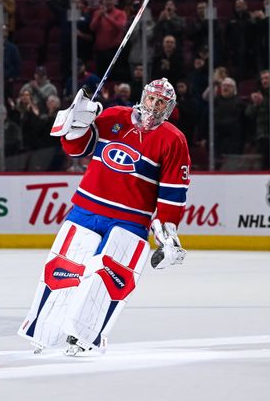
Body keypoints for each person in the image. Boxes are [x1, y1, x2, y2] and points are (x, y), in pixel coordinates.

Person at [19, 78, 190, 355]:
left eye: (161, 102)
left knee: (108, 278)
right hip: (87, 208)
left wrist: (167, 232)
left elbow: (173, 192)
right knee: (66, 268)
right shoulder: (113, 116)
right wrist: (76, 123)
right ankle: (45, 329)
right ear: (143, 96)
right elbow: (77, 149)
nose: (154, 106)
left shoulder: (174, 140)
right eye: (151, 99)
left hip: (131, 221)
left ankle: (84, 336)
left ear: (168, 107)